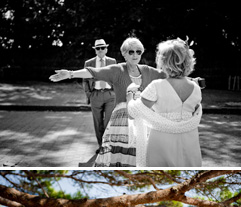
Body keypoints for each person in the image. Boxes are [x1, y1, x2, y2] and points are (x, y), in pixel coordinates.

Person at [50, 37, 165, 166]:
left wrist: (191, 80)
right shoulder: (117, 70)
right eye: (131, 52)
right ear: (124, 53)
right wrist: (70, 74)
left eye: (138, 51)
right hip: (121, 123)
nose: (135, 55)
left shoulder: (147, 70)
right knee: (118, 158)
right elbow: (94, 72)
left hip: (143, 122)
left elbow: (171, 76)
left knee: (141, 157)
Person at [127, 38, 202, 167]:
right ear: (188, 61)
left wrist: (130, 99)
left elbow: (133, 113)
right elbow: (194, 112)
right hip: (190, 139)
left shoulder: (157, 86)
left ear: (163, 62)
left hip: (162, 140)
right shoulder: (196, 88)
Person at [83, 39, 116, 153]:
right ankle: (101, 146)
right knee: (98, 123)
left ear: (106, 49)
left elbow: (116, 78)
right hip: (95, 94)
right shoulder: (89, 63)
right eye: (98, 48)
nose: (100, 50)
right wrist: (89, 95)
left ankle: (107, 145)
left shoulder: (112, 61)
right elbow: (85, 80)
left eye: (103, 47)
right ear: (95, 50)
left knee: (109, 122)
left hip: (110, 94)